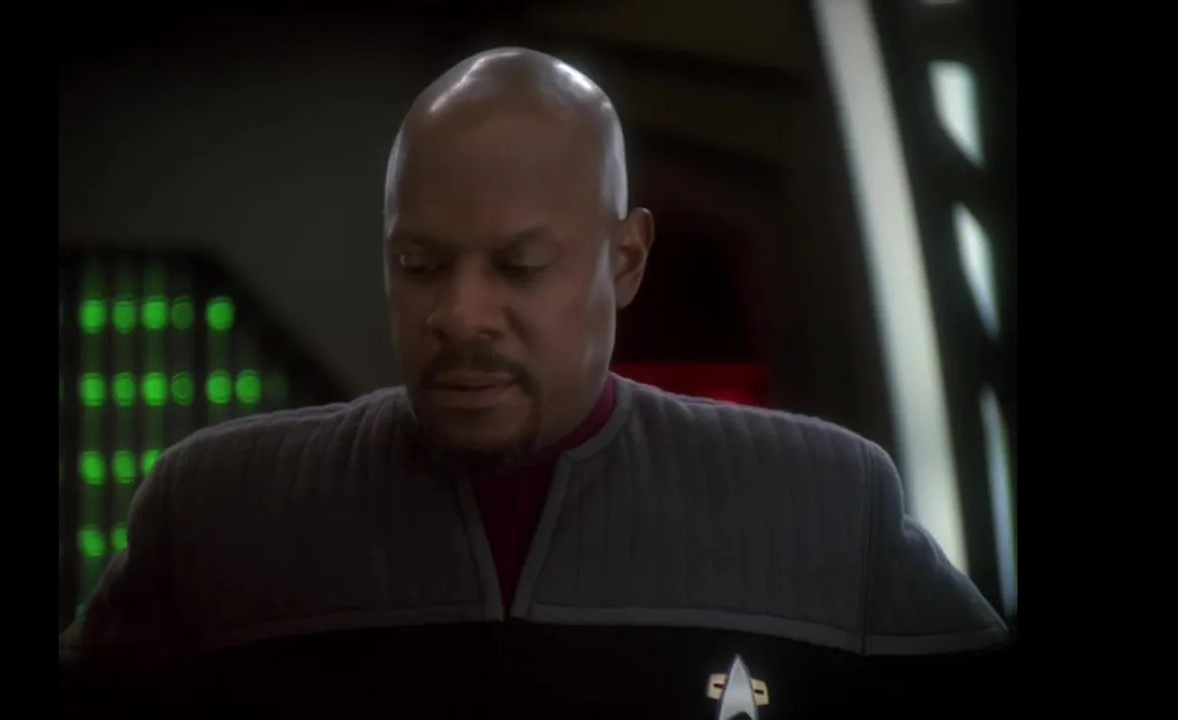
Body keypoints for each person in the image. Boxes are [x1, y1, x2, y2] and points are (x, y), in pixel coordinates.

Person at [59, 47, 1010, 718]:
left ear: (625, 259)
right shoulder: (215, 514)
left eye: (519, 267)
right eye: (420, 263)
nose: (459, 314)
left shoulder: (827, 509)